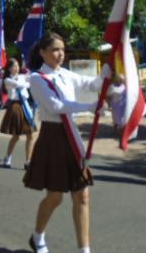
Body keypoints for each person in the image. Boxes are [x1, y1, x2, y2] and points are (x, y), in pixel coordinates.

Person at [23, 32, 109, 253]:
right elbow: (56, 106)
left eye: (62, 49)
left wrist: (108, 75)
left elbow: (91, 84)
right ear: (42, 53)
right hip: (53, 138)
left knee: (82, 195)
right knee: (55, 197)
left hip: (72, 135)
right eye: (54, 49)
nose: (60, 54)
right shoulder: (36, 78)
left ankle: (84, 250)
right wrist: (89, 108)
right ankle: (37, 236)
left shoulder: (66, 74)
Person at [0, 58, 34, 169]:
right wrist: (25, 82)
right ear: (9, 68)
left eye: (18, 65)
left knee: (30, 135)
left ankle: (28, 160)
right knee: (16, 136)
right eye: (14, 66)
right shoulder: (7, 80)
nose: (17, 68)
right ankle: (8, 157)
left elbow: (31, 81)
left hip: (25, 106)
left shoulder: (22, 77)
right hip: (15, 107)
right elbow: (19, 84)